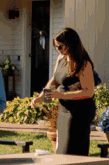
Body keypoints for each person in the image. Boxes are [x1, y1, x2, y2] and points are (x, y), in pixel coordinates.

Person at [31, 28, 96, 156]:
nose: (58, 50)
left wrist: (60, 95)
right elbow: (54, 80)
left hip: (79, 112)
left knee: (72, 150)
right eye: (56, 47)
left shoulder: (83, 64)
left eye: (60, 47)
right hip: (65, 109)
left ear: (70, 45)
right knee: (61, 148)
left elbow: (88, 92)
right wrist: (41, 97)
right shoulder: (61, 59)